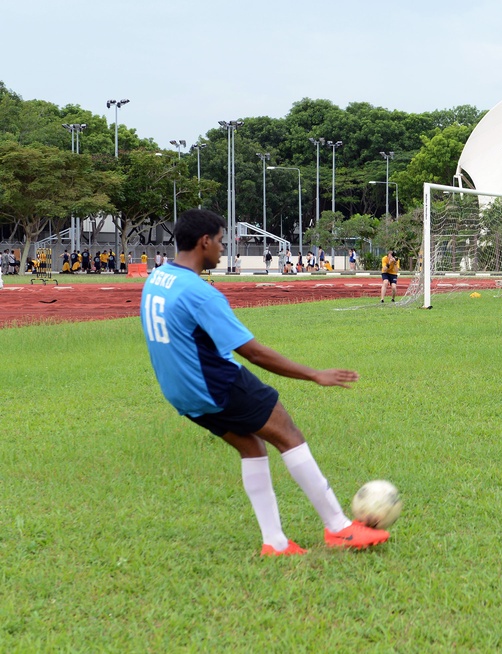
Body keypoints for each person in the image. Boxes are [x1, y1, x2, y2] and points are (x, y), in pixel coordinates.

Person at [140, 209, 389, 556]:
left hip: (182, 394)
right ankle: (339, 527)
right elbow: (254, 353)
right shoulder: (199, 293)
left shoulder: (157, 278)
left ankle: (275, 543)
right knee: (288, 434)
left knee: (252, 447)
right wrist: (314, 373)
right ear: (204, 242)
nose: (223, 249)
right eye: (222, 242)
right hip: (216, 384)